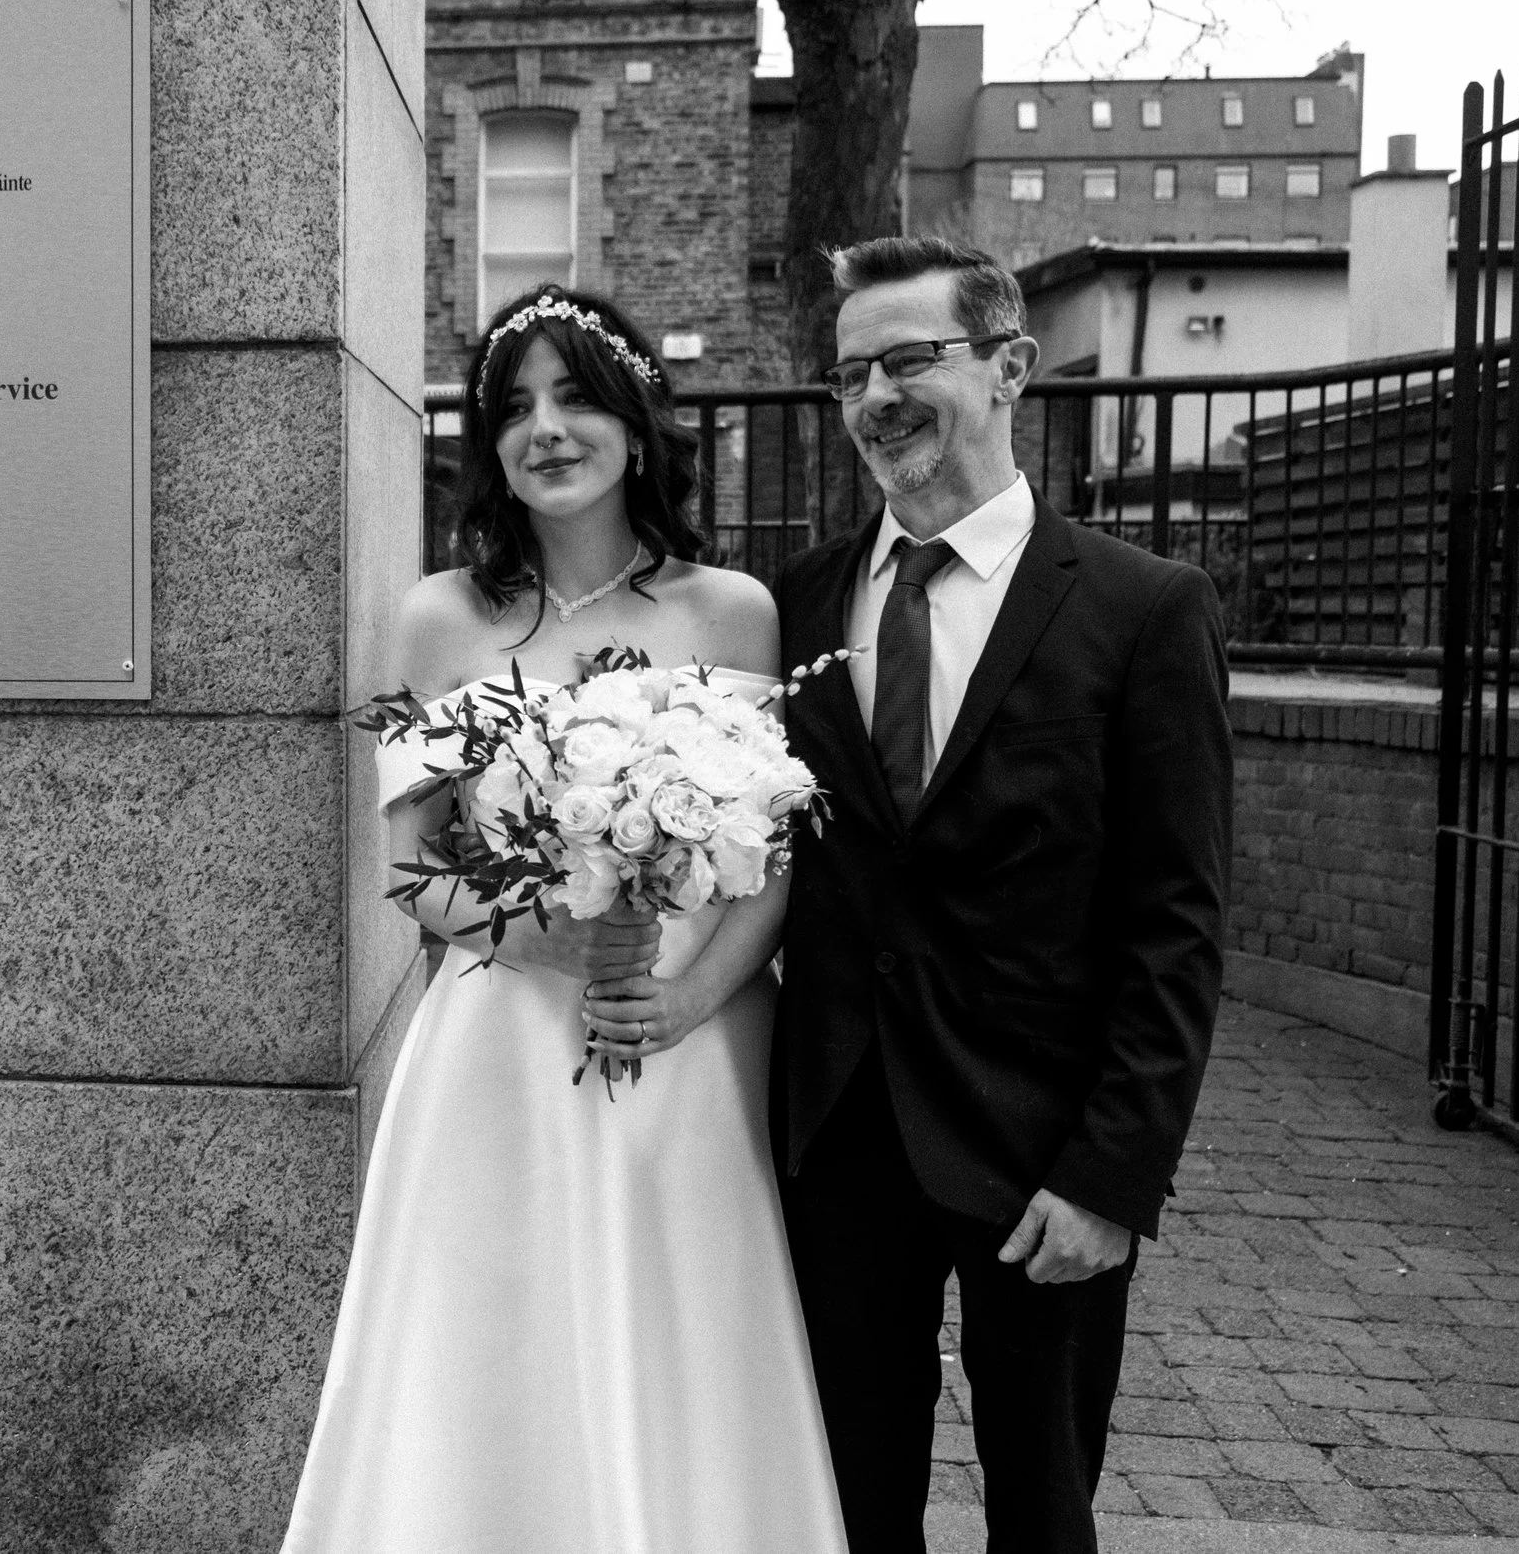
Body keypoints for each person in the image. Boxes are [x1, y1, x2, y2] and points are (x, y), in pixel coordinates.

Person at [281, 285, 847, 1552]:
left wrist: (681, 1001)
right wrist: (542, 932)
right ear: (487, 447)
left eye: (577, 395)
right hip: (495, 1051)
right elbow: (413, 872)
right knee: (491, 1339)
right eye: (514, 407)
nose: (546, 427)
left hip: (684, 1047)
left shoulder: (733, 609)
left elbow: (769, 867)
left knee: (677, 1328)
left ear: (637, 427)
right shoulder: (442, 616)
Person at [770, 236, 1231, 1554]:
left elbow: (1179, 920)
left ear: (1012, 366)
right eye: (850, 373)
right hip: (840, 1142)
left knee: (1043, 1505)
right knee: (849, 1502)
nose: (873, 398)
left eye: (909, 359)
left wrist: (1113, 1173)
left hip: (1044, 1154)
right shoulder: (794, 604)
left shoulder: (1143, 609)